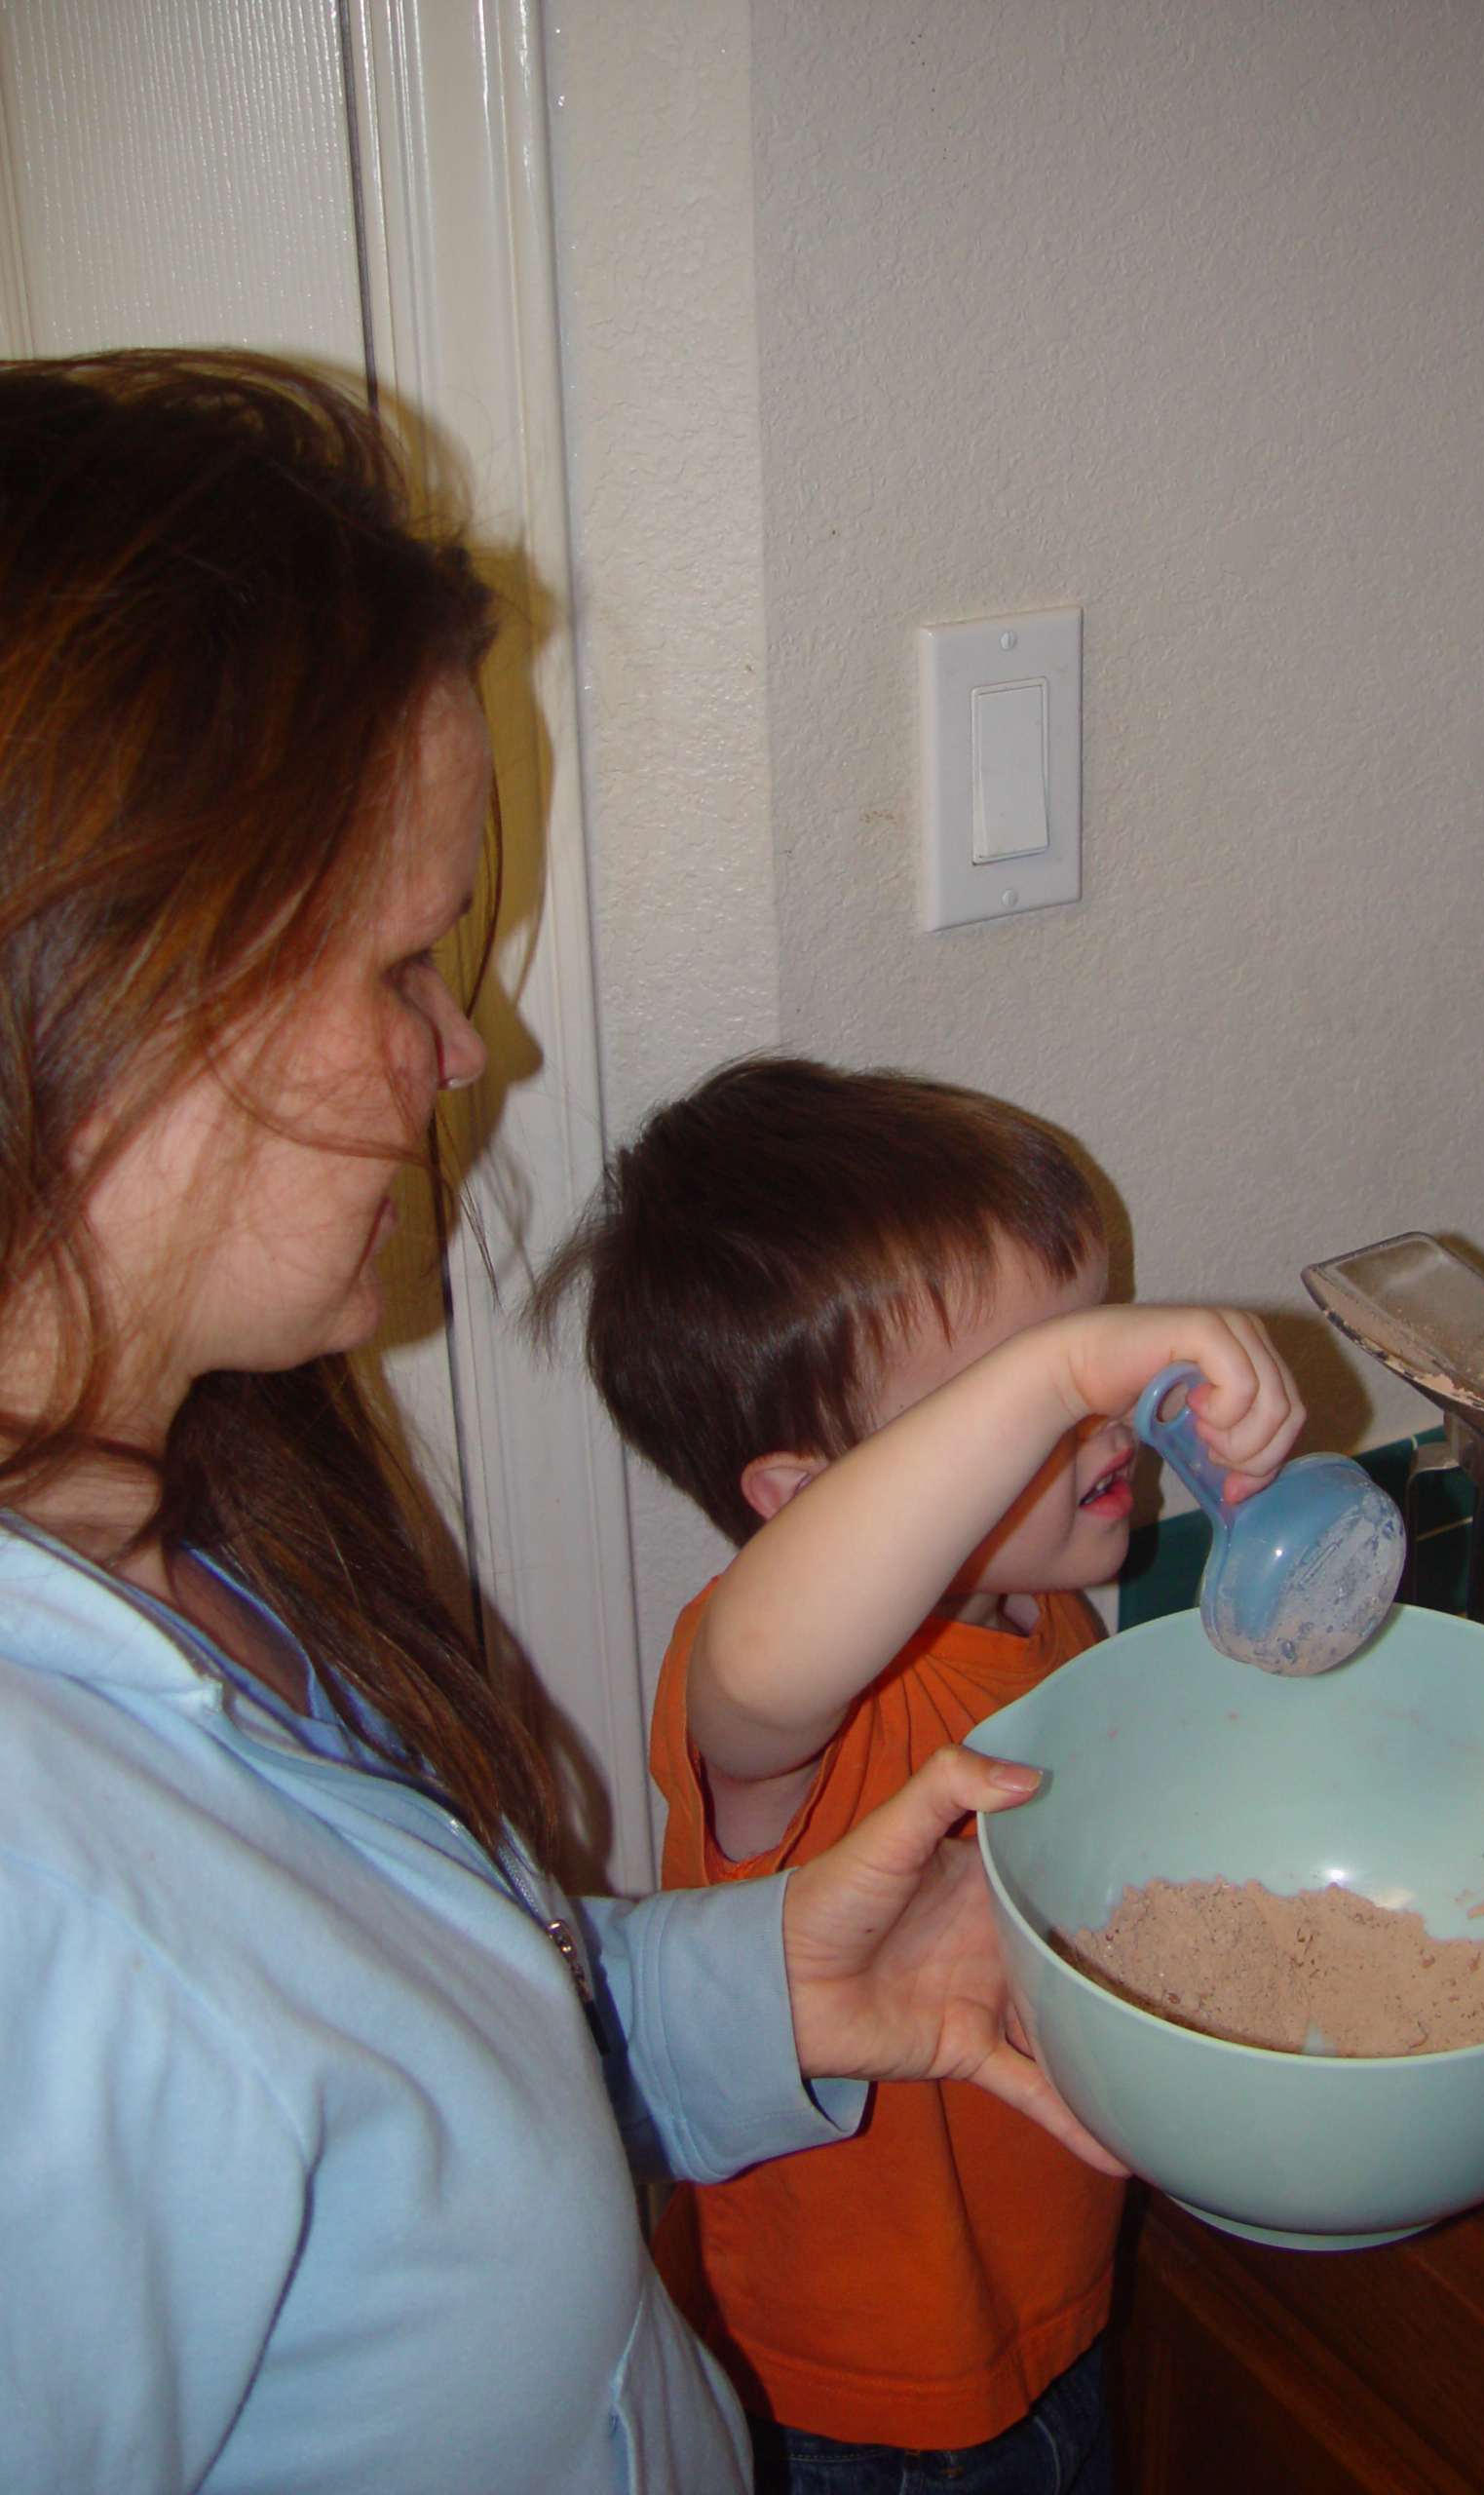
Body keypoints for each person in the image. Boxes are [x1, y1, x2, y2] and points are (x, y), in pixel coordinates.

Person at [0, 352, 1177, 2495]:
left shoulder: (192, 1522)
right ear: (98, 1002)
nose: (467, 1048)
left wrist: (733, 1993)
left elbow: (387, 2109)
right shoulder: (34, 1921)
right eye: (400, 965)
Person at [544, 1057, 1304, 2492]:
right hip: (871, 2398)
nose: (1110, 1413)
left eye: (1093, 1347)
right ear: (806, 1502)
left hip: (1053, 2300)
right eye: (1009, 1405)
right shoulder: (788, 1706)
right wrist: (1058, 1379)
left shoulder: (1047, 1611)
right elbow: (764, 1661)